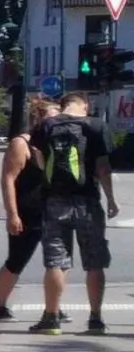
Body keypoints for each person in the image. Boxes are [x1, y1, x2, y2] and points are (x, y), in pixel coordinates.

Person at [27, 92, 117, 335]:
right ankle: (96, 320)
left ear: (64, 104)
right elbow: (103, 167)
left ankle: (51, 318)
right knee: (95, 261)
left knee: (56, 261)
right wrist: (111, 199)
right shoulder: (96, 126)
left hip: (55, 200)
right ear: (84, 104)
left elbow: (39, 161)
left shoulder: (46, 126)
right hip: (88, 201)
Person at [0, 97, 55, 320]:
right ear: (38, 119)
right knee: (16, 260)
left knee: (56, 262)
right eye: (52, 117)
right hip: (26, 212)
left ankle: (53, 307)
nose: (56, 122)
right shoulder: (20, 144)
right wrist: (12, 214)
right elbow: (8, 180)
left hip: (52, 212)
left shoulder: (53, 144)